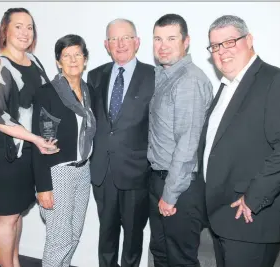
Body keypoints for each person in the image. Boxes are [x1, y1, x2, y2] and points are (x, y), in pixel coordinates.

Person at [197, 15, 280, 267]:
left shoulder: (273, 80)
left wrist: (253, 199)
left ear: (250, 40)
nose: (222, 51)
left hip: (249, 219)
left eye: (230, 42)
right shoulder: (226, 86)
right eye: (215, 46)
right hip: (222, 218)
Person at [0, 8, 58, 267]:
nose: (25, 32)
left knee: (17, 214)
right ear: (5, 30)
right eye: (19, 26)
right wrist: (35, 139)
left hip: (29, 152)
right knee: (6, 218)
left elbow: (45, 100)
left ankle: (14, 263)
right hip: (5, 156)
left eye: (30, 27)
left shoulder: (33, 61)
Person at [87, 18, 154, 267]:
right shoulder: (94, 76)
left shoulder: (154, 76)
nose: (120, 43)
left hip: (137, 171)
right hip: (103, 171)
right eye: (114, 39)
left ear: (137, 42)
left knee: (134, 237)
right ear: (106, 44)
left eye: (126, 37)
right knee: (106, 234)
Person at [148, 14, 213, 267]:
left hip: (180, 186)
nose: (162, 45)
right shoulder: (163, 76)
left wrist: (170, 194)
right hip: (159, 179)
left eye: (171, 39)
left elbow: (187, 145)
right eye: (158, 39)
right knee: (162, 253)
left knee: (180, 260)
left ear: (186, 42)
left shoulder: (189, 80)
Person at [32, 34, 95, 267]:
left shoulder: (89, 92)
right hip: (57, 173)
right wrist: (43, 187)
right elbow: (38, 143)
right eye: (66, 55)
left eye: (77, 54)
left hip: (83, 171)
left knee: (73, 237)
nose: (72, 60)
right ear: (58, 62)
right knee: (59, 240)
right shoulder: (47, 93)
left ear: (85, 59)